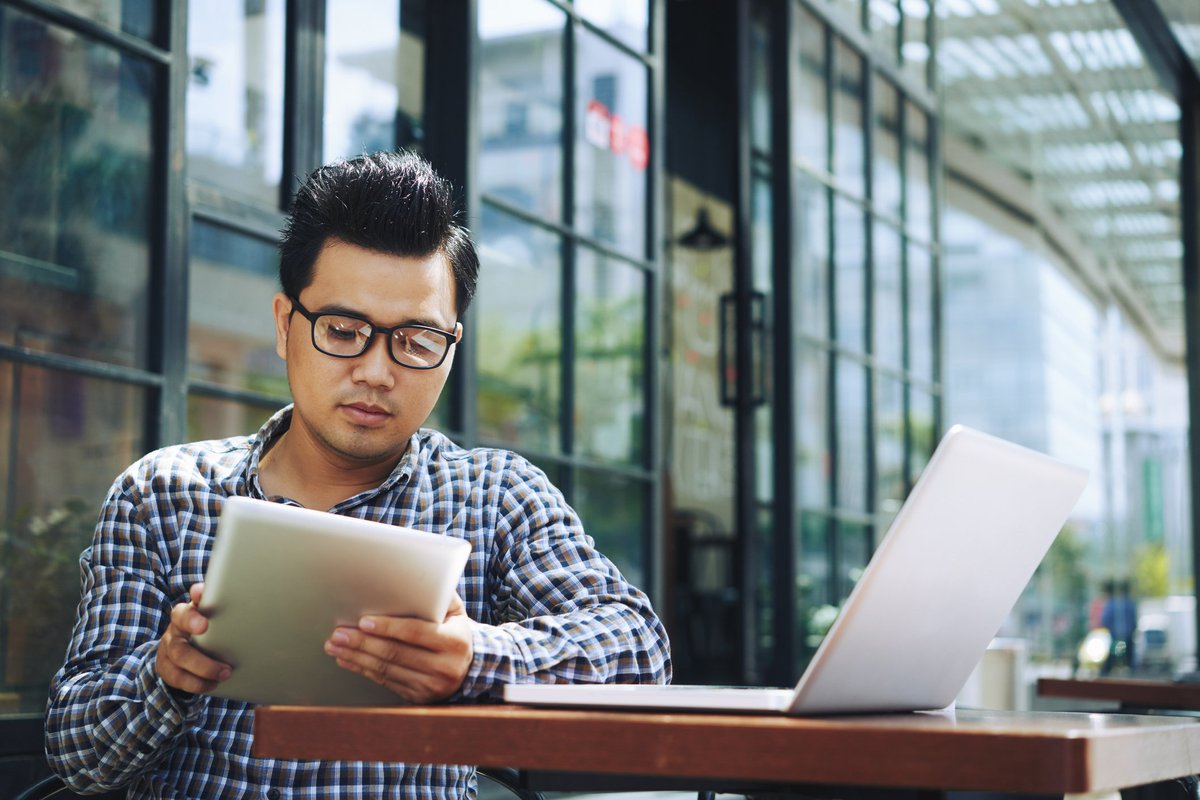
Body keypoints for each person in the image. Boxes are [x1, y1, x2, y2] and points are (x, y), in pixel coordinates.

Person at [44, 151, 672, 798]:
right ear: (287, 326)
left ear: (451, 348)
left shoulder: (494, 496)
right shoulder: (165, 496)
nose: (377, 371)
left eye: (417, 340)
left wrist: (476, 655)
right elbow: (77, 754)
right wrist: (165, 675)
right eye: (343, 330)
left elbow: (639, 652)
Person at [1100, 579, 1138, 675]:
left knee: (1117, 654)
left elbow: (1105, 620)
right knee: (1124, 655)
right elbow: (1133, 620)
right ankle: (1127, 671)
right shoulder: (1128, 603)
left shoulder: (1114, 604)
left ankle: (1108, 671)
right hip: (1124, 635)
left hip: (1118, 634)